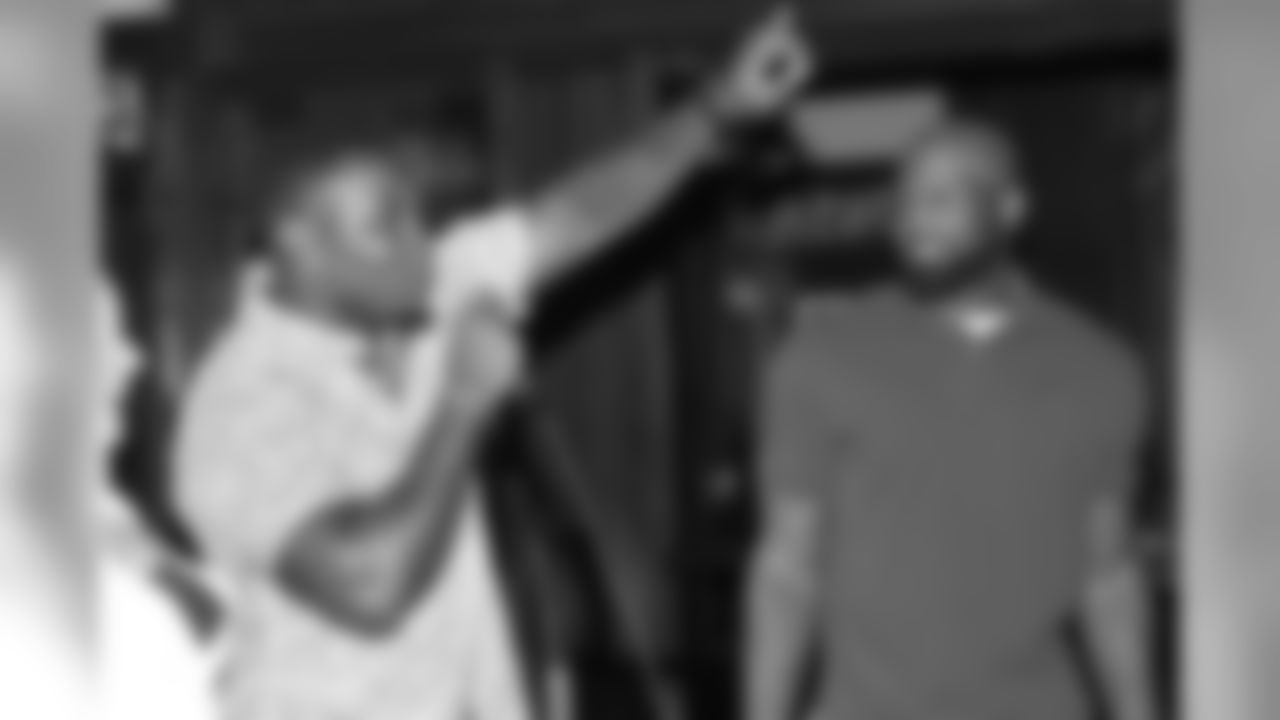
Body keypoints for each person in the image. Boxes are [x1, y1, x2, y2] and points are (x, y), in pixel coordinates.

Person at [173, 8, 814, 720]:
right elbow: (369, 587)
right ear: (301, 245)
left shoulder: (429, 287)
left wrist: (719, 109)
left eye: (418, 216)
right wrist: (464, 400)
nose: (422, 245)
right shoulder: (241, 403)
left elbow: (576, 214)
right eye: (387, 225)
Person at [745, 119, 1156, 720]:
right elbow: (786, 572)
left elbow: (1109, 575)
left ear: (1010, 209)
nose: (914, 218)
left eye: (941, 197)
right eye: (906, 198)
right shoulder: (822, 356)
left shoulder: (1102, 370)